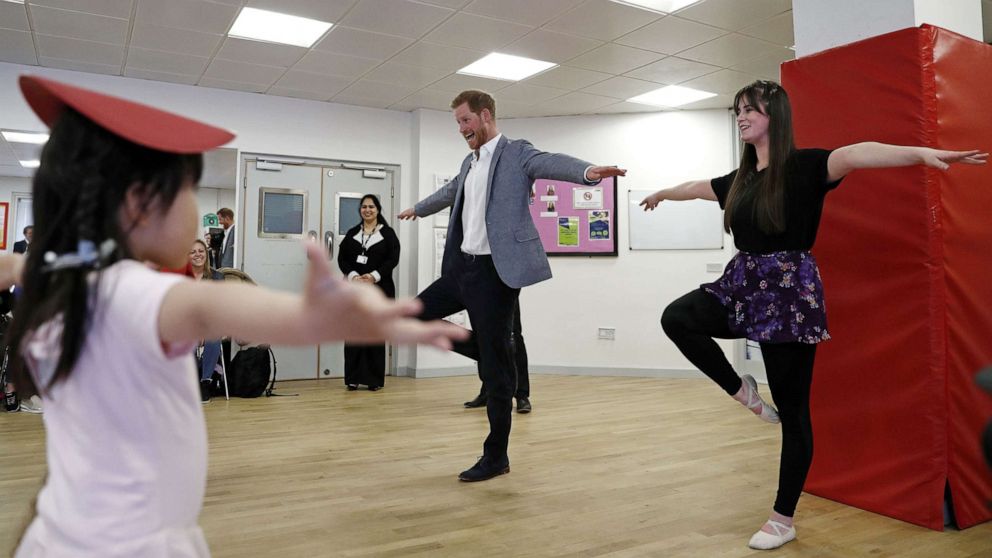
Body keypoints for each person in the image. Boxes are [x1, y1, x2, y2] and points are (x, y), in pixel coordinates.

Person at [5, 74, 465, 557]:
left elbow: (17, 264)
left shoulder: (58, 283)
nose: (197, 210)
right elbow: (217, 303)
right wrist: (316, 318)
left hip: (57, 534)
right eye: (188, 190)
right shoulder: (137, 294)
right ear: (141, 205)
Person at [640, 80, 986, 550]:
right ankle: (742, 389)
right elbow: (695, 188)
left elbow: (860, 152)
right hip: (742, 284)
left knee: (795, 412)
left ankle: (783, 517)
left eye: (751, 110)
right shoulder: (738, 180)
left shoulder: (804, 167)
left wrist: (921, 153)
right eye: (738, 110)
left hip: (787, 294)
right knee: (677, 317)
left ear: (774, 116)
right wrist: (662, 191)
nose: (741, 116)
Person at [398, 89, 625, 482]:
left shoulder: (516, 152)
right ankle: (491, 356)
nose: (462, 129)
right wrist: (418, 209)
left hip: (495, 274)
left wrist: (588, 172)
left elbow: (550, 162)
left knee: (498, 369)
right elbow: (449, 191)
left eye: (466, 121)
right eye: (457, 124)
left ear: (485, 116)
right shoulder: (469, 163)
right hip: (461, 270)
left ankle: (496, 455)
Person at [337, 194, 400, 392]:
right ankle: (353, 379)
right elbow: (342, 259)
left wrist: (373, 276)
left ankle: (373, 379)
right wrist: (354, 275)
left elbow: (393, 259)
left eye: (371, 206)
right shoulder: (352, 233)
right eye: (364, 207)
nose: (367, 210)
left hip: (379, 289)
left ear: (378, 209)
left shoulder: (388, 233)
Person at [464, 300, 531, 413]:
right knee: (483, 336)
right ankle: (487, 391)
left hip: (508, 287)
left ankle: (521, 395)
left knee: (513, 336)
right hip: (480, 289)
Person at [189, 238, 224, 402]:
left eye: (201, 251)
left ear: (206, 254)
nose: (198, 255)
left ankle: (205, 382)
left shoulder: (217, 277)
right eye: (193, 252)